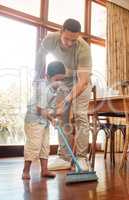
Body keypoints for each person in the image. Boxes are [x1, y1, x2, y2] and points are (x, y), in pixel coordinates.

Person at [34, 18, 92, 171]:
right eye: (66, 39)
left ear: (78, 36)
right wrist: (38, 79)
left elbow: (83, 81)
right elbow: (40, 58)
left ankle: (81, 158)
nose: (69, 43)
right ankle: (65, 158)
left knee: (80, 115)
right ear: (61, 31)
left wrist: (66, 100)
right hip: (63, 80)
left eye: (73, 40)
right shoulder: (50, 39)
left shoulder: (83, 47)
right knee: (62, 117)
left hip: (80, 81)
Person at [22, 61, 66, 180]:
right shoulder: (43, 88)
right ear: (47, 77)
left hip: (43, 120)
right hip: (34, 121)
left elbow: (48, 108)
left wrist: (54, 116)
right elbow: (40, 109)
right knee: (34, 145)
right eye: (57, 79)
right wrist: (52, 119)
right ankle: (25, 171)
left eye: (62, 80)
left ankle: (45, 170)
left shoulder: (53, 90)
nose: (59, 83)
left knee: (45, 145)